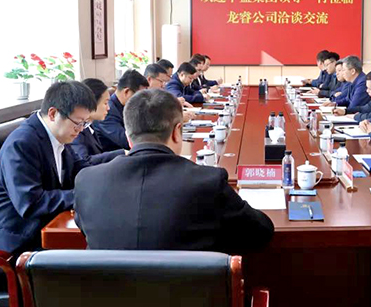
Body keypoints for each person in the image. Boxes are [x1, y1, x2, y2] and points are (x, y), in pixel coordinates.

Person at [74, 89, 275, 254]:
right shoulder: (207, 182)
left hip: (109, 292)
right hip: (191, 293)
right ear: (177, 132)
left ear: (128, 137)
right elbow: (261, 232)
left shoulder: (88, 181)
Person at [0, 81, 97, 288]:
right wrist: (84, 195)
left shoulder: (56, 137)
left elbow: (80, 169)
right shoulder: (22, 143)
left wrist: (107, 180)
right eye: (77, 123)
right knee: (88, 269)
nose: (80, 130)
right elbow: (31, 203)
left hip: (29, 239)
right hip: (1, 256)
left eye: (85, 124)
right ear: (53, 114)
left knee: (93, 258)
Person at [68, 78, 126, 165]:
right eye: (105, 103)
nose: (108, 108)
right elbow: (84, 161)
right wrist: (123, 153)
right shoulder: (76, 128)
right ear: (92, 103)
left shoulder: (90, 125)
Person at [95, 70, 148, 151]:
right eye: (140, 96)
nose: (142, 101)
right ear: (126, 92)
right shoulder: (107, 111)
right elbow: (126, 141)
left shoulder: (126, 106)